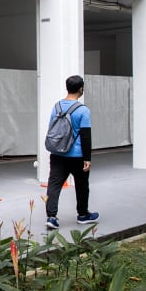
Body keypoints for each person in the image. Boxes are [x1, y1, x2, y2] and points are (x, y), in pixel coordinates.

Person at [45, 75, 98, 230]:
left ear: (67, 87)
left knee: (54, 185)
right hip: (77, 156)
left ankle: (51, 217)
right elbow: (85, 135)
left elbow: (51, 129)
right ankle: (83, 215)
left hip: (57, 154)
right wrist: (87, 158)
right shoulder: (83, 110)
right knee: (81, 185)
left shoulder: (57, 107)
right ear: (81, 89)